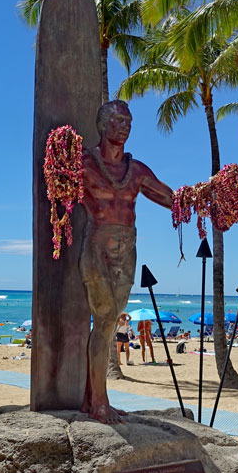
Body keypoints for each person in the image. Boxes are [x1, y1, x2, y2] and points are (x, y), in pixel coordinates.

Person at [78, 100, 173, 422]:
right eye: (118, 120)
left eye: (129, 122)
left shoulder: (137, 171)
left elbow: (170, 199)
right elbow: (57, 194)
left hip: (127, 248)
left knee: (110, 320)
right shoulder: (84, 163)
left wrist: (208, 196)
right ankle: (98, 403)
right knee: (104, 320)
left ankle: (93, 401)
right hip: (97, 246)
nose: (125, 126)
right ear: (102, 124)